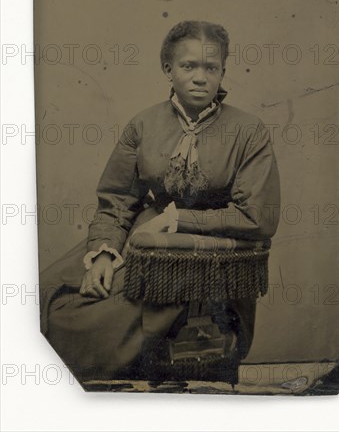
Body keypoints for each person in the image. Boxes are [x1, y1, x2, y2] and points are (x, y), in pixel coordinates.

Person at [39, 20, 281, 383]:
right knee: (52, 295)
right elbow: (119, 199)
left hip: (211, 251)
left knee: (104, 320)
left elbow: (256, 217)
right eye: (188, 66)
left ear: (222, 72)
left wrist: (177, 220)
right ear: (168, 70)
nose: (200, 77)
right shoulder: (144, 125)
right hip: (145, 234)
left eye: (210, 68)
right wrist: (104, 252)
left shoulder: (249, 131)